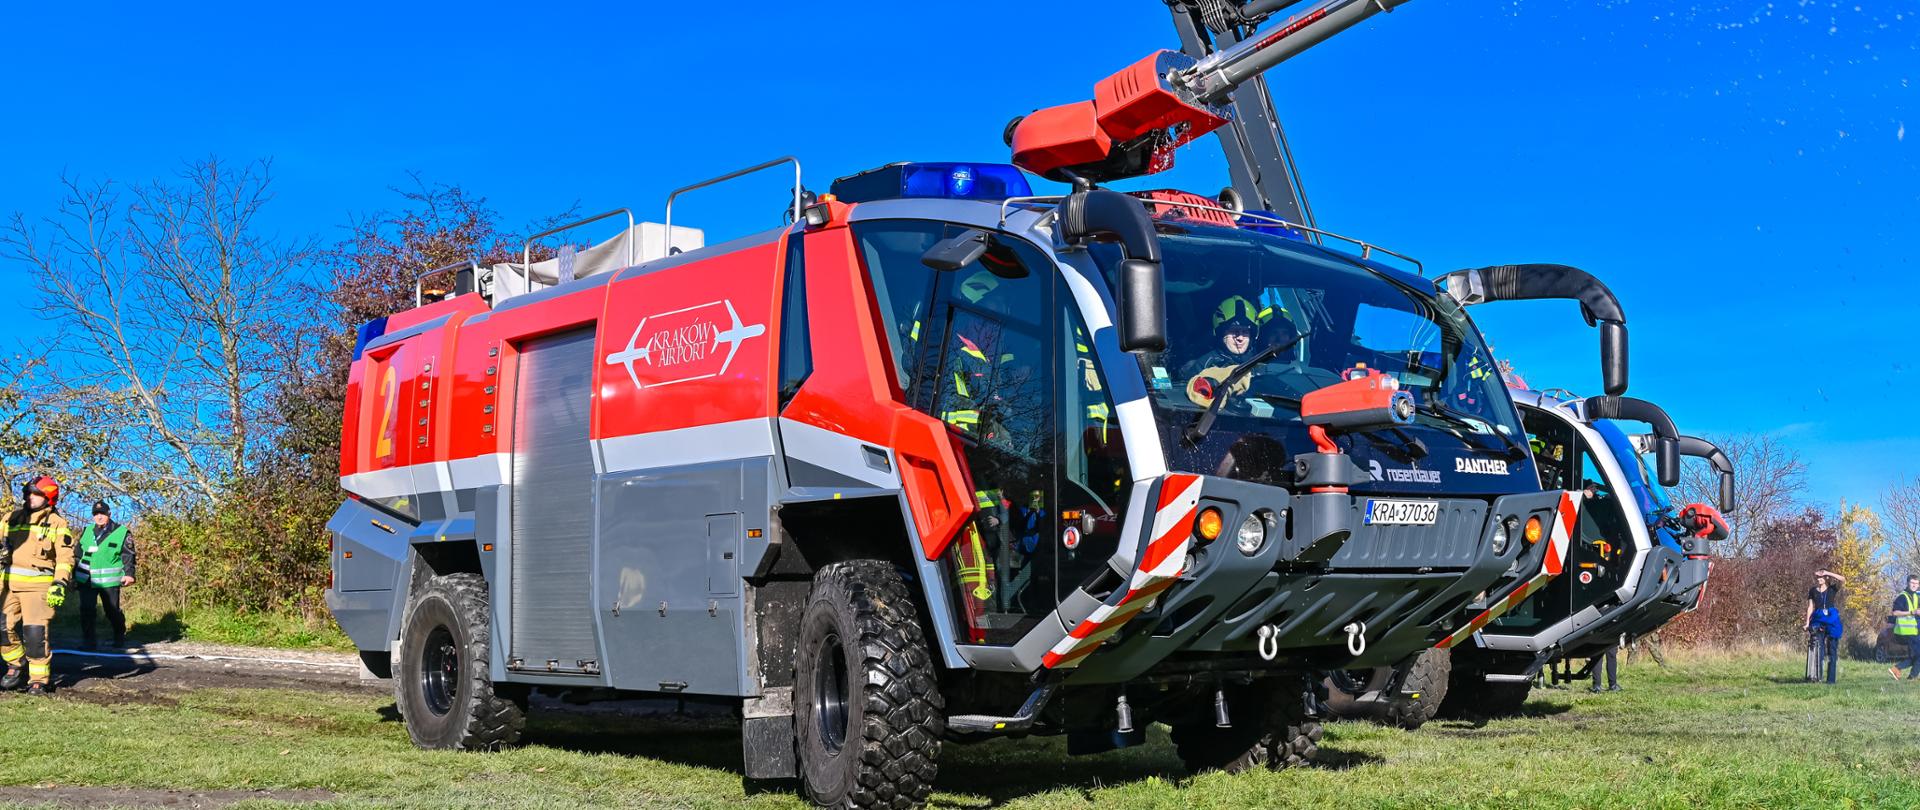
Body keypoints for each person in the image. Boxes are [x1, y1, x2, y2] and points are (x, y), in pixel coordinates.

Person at [1, 475, 74, 696]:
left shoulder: (57, 523)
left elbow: (65, 558)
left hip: (38, 588)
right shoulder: (11, 518)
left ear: (49, 498)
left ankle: (38, 680)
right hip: (8, 585)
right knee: (2, 629)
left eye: (36, 494)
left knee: (34, 635)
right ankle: (16, 663)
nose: (30, 498)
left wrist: (59, 582)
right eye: (28, 494)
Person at [76, 500, 136, 649]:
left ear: (109, 514)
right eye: (96, 514)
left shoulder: (121, 532)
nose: (99, 517)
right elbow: (77, 555)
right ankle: (89, 642)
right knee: (87, 610)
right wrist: (73, 577)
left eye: (102, 513)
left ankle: (119, 636)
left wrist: (129, 574)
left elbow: (128, 555)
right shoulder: (87, 530)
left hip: (109, 581)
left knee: (112, 611)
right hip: (86, 579)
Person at [1804, 570, 1845, 684]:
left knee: (1832, 651)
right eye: (1817, 577)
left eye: (1821, 577)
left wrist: (1828, 573)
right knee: (1818, 649)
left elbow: (1843, 579)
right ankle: (1817, 677)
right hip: (1818, 619)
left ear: (1826, 578)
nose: (1818, 579)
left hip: (1832, 620)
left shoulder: (1832, 589)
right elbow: (1810, 607)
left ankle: (1831, 680)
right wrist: (1807, 623)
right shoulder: (1813, 591)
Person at [1890, 574, 1920, 680]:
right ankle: (1898, 668)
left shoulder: (1916, 596)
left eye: (1916, 583)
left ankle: (1911, 676)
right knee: (1917, 655)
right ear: (1907, 583)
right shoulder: (1902, 597)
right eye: (1912, 583)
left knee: (1917, 655)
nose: (1914, 585)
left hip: (1914, 631)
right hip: (1905, 631)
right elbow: (1895, 613)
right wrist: (1912, 612)